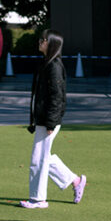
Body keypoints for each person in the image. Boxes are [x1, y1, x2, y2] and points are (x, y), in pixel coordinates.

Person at [20, 29, 87, 210]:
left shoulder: (53, 66)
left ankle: (38, 199)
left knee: (38, 159)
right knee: (43, 157)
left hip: (48, 119)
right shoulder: (46, 63)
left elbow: (57, 96)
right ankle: (75, 181)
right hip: (44, 118)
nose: (40, 42)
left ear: (51, 44)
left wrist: (50, 122)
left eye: (43, 40)